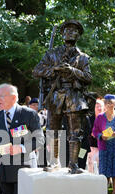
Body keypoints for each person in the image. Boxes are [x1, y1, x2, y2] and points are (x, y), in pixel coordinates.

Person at [32, 20, 93, 173]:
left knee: (76, 132)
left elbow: (88, 77)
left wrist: (72, 70)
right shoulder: (51, 54)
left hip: (74, 96)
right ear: (62, 34)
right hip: (56, 95)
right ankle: (54, 162)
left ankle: (73, 164)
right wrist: (54, 69)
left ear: (78, 35)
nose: (70, 33)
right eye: (67, 30)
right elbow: (36, 71)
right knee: (53, 130)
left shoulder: (83, 57)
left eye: (74, 31)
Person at [87, 99, 105, 173]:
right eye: (97, 106)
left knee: (102, 166)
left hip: (103, 146)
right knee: (90, 165)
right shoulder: (89, 118)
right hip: (90, 146)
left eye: (100, 106)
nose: (99, 108)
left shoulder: (106, 117)